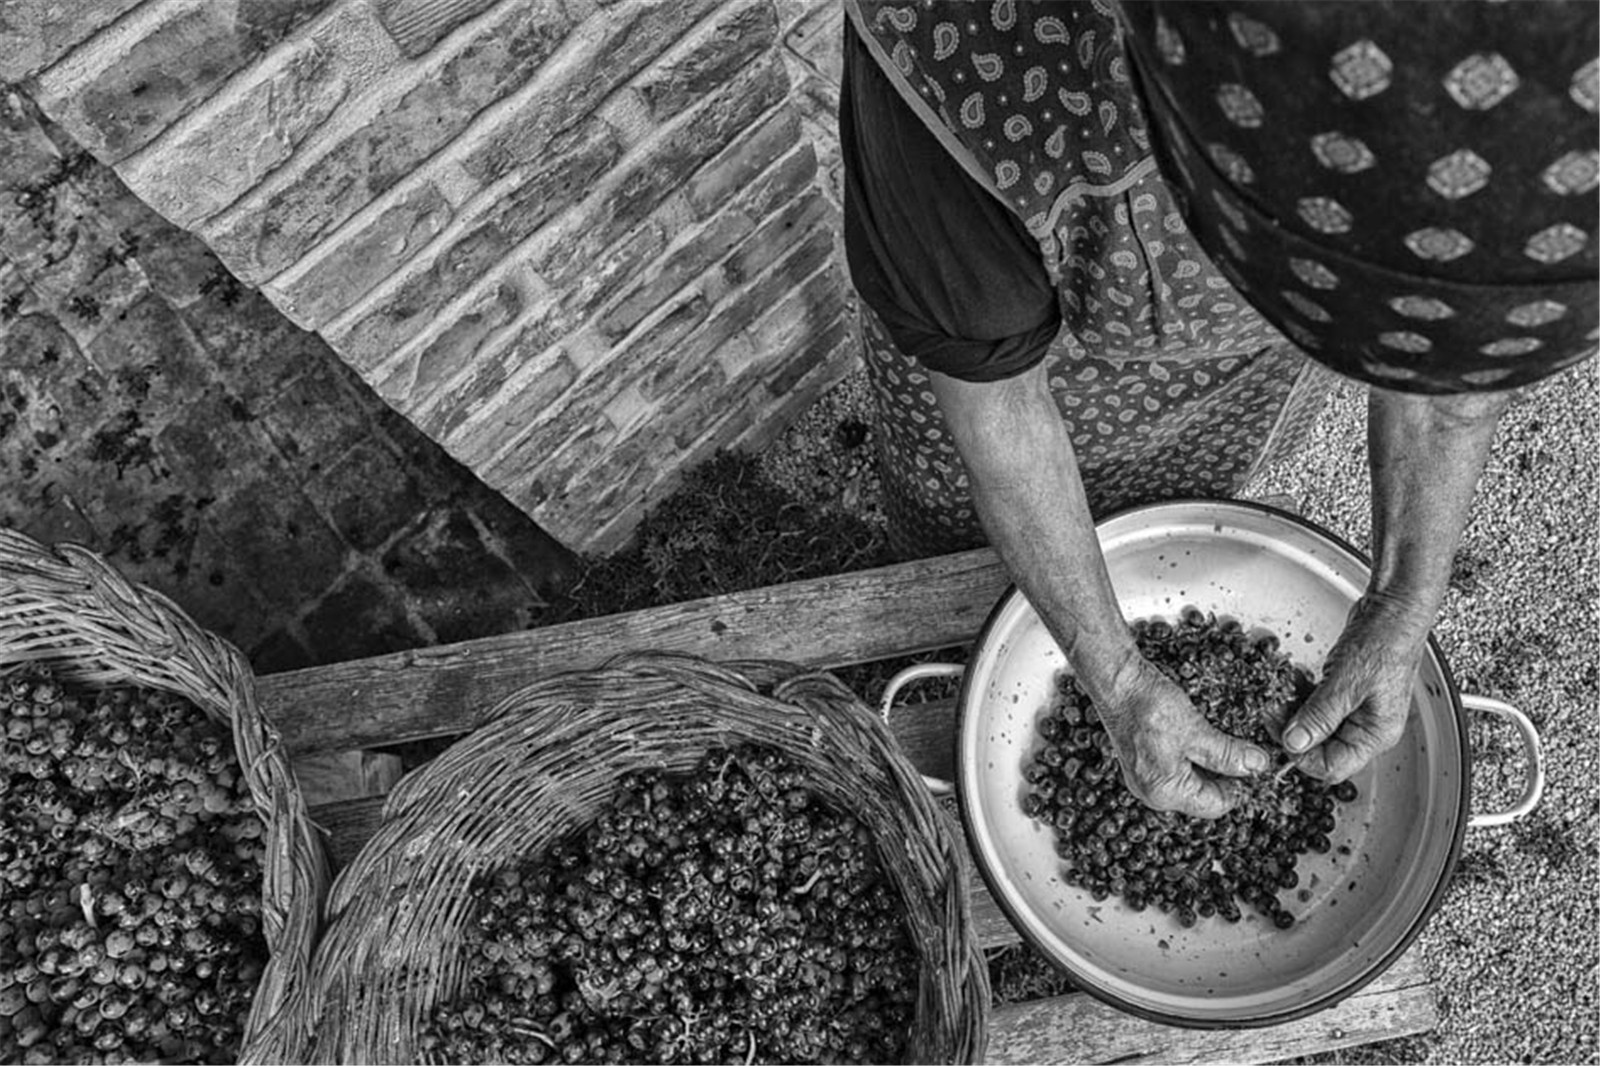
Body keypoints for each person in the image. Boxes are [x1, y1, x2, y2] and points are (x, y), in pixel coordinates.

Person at [840, 0, 1598, 818]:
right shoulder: (969, 71)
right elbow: (999, 412)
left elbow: (1447, 389)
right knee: (965, 552)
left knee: (1183, 487)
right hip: (999, 364)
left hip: (1207, 372)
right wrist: (1116, 680)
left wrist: (1402, 603)